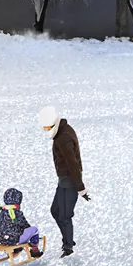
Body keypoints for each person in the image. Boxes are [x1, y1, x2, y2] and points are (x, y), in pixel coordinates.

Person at [38, 107, 87, 257]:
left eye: (44, 125)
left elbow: (73, 164)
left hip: (70, 182)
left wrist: (81, 188)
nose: (43, 128)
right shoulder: (61, 131)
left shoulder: (63, 137)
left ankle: (68, 247)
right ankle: (68, 240)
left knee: (65, 216)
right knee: (55, 211)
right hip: (63, 180)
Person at [0, 188, 43, 258]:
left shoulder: (3, 210)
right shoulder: (16, 212)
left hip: (1, 237)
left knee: (14, 230)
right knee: (34, 230)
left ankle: (16, 250)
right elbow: (24, 224)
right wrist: (30, 235)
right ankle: (34, 250)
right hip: (13, 239)